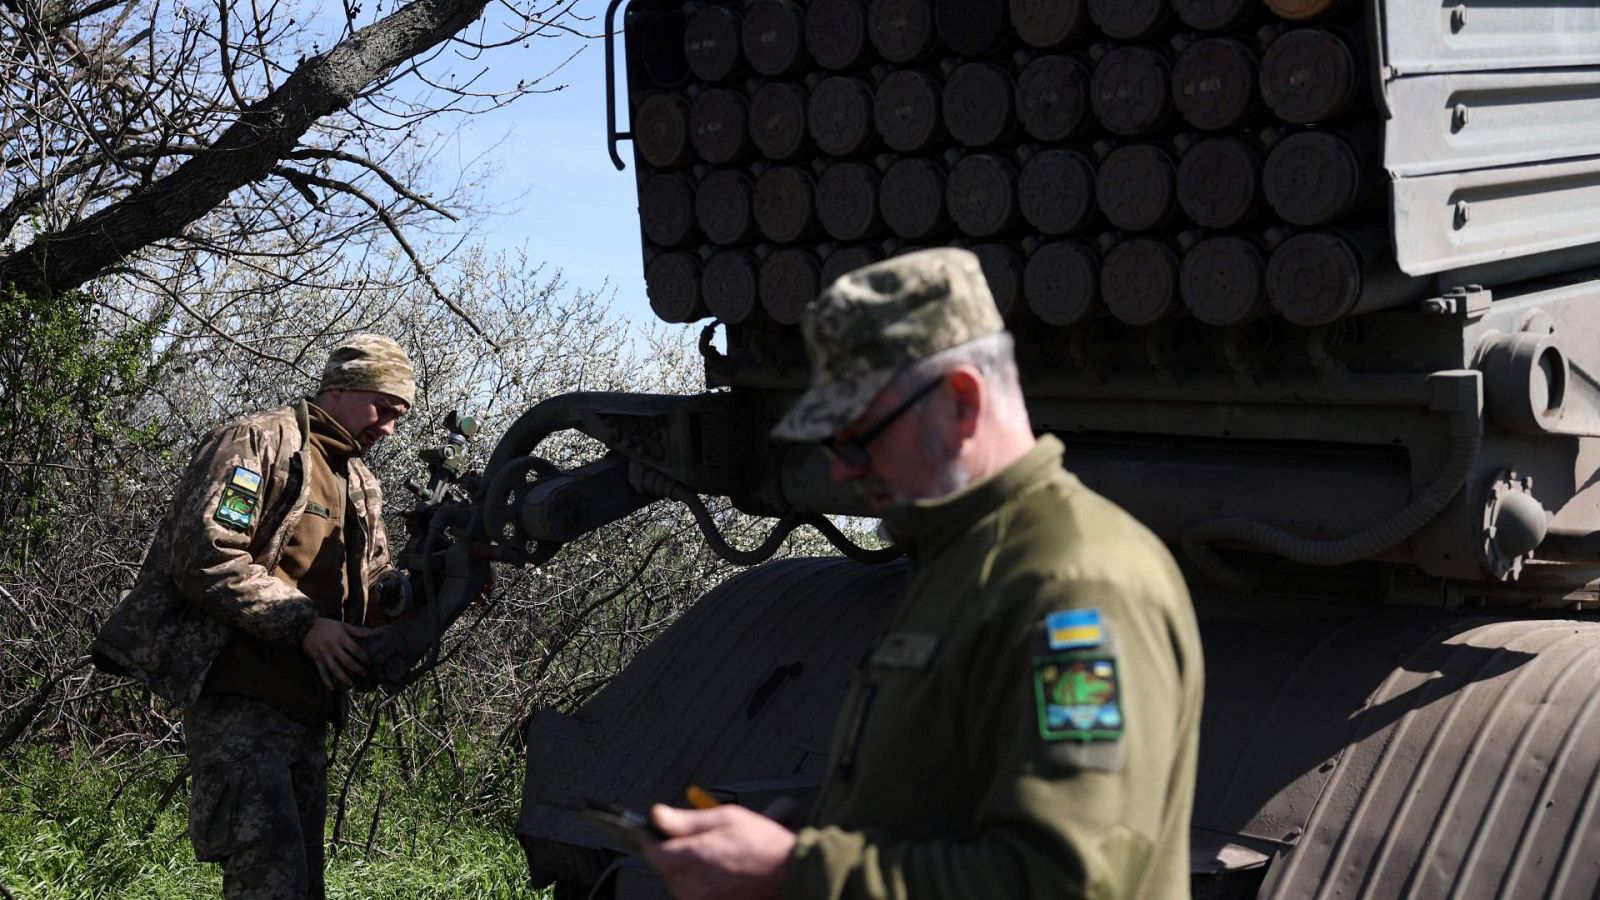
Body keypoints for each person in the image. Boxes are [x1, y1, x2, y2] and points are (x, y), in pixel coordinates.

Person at [642, 248, 1205, 899]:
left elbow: (1069, 882)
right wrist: (813, 837)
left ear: (963, 401)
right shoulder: (960, 559)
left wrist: (798, 874)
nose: (842, 470)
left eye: (859, 437)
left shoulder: (1075, 585)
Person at [92, 334, 416, 899]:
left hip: (307, 709)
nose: (388, 427)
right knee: (270, 881)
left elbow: (374, 584)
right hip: (243, 702)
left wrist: (433, 586)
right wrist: (305, 624)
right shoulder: (259, 442)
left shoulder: (359, 481)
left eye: (399, 416)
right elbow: (205, 555)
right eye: (383, 408)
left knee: (301, 885)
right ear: (341, 387)